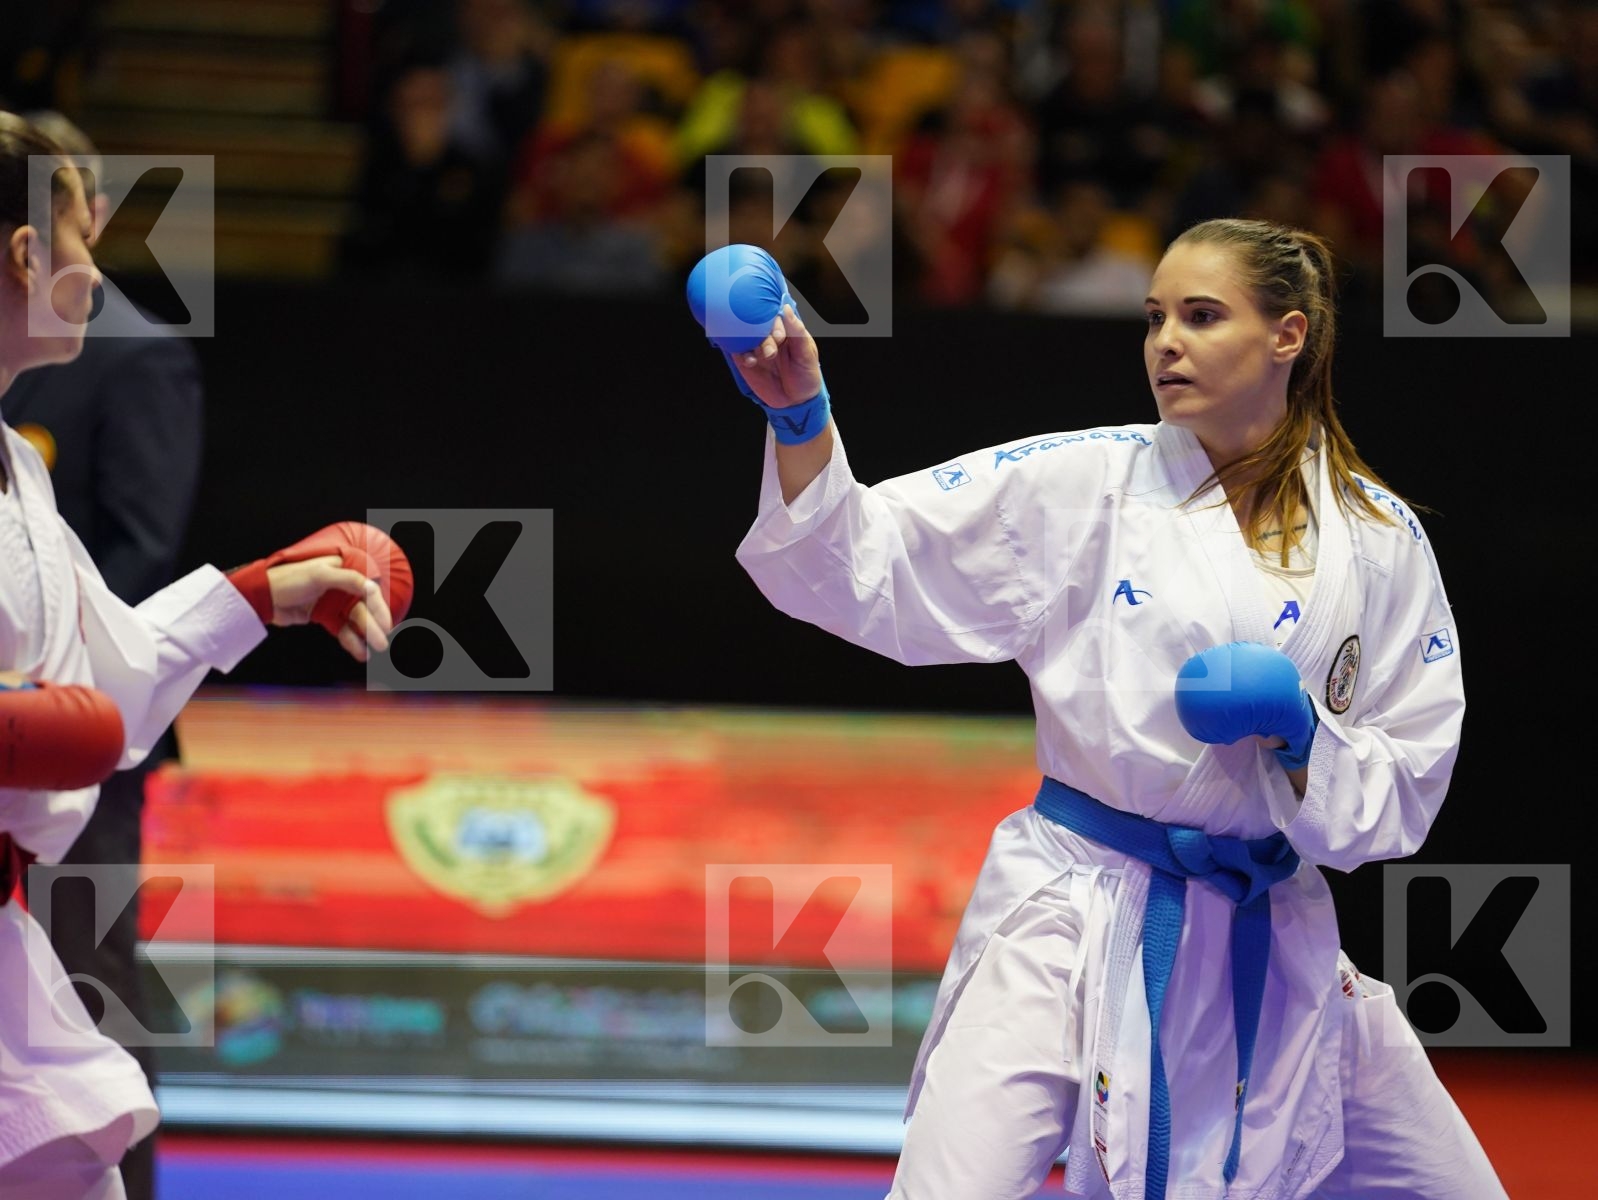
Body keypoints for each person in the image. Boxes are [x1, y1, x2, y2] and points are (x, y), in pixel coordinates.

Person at [694, 226, 1509, 1198]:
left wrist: (1302, 735)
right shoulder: (1083, 485)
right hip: (1068, 912)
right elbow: (863, 564)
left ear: (1287, 335)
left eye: (1201, 317)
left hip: (1271, 929)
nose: (1165, 342)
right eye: (1154, 317)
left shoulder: (1378, 538)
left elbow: (1405, 782)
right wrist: (800, 417)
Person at [0, 111, 405, 1200]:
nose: (96, 273)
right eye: (84, 238)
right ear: (28, 255)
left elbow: (112, 691)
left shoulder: (18, 475)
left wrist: (261, 594)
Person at [6, 109, 203, 1200]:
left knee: (91, 993)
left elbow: (137, 555)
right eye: (74, 221)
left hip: (86, 746)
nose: (90, 254)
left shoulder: (136, 358)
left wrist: (48, 702)